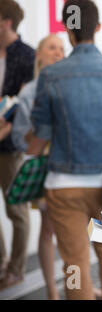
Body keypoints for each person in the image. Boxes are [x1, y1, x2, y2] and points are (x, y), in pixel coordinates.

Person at [27, 0, 102, 300]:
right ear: (99, 28)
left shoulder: (51, 76)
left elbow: (37, 140)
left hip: (64, 188)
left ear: (67, 28)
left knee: (75, 265)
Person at [0, 34, 64, 298]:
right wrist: (39, 134)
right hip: (45, 169)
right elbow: (20, 138)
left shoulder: (71, 86)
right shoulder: (28, 92)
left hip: (71, 169)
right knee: (49, 229)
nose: (58, 52)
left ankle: (77, 286)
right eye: (51, 47)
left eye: (62, 48)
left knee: (74, 232)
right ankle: (51, 291)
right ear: (38, 54)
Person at [0, 0, 35, 290]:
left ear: (6, 21)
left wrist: (6, 130)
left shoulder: (27, 57)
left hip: (10, 147)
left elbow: (26, 108)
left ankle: (16, 269)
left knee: (16, 210)